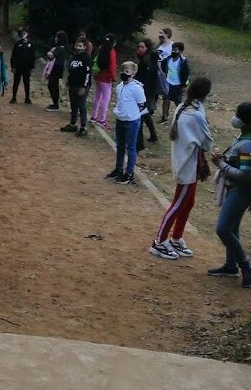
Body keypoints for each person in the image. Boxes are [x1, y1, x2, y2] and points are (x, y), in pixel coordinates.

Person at [149, 77, 213, 260]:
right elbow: (207, 143)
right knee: (178, 204)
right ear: (205, 94)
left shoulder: (182, 107)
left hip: (185, 162)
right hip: (187, 165)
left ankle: (176, 238)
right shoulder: (196, 115)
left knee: (188, 202)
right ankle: (159, 242)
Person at [208, 101, 251, 286]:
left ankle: (246, 267)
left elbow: (245, 175)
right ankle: (230, 266)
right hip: (237, 189)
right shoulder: (244, 137)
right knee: (232, 228)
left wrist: (221, 165)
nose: (235, 118)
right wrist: (225, 159)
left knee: (223, 229)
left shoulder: (247, 144)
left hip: (240, 190)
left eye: (239, 116)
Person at [105, 60, 147, 184]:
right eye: (123, 71)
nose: (124, 73)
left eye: (127, 71)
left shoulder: (137, 88)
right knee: (120, 146)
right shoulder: (120, 86)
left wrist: (133, 114)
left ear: (133, 73)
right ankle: (118, 169)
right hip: (120, 119)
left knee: (131, 147)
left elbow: (142, 104)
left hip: (132, 121)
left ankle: (129, 174)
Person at [60, 36, 92, 136]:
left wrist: (84, 87)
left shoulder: (87, 58)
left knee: (81, 106)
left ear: (84, 47)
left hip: (81, 86)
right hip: (73, 85)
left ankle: (83, 127)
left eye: (80, 46)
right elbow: (71, 72)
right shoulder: (74, 57)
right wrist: (68, 84)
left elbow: (88, 73)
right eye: (77, 45)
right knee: (73, 105)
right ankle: (73, 124)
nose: (78, 47)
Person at [135, 37, 160, 143]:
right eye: (139, 47)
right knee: (145, 114)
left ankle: (139, 139)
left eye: (142, 47)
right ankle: (153, 135)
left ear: (147, 48)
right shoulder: (146, 60)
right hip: (147, 92)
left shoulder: (146, 62)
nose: (140, 49)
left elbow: (145, 79)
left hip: (145, 92)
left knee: (140, 114)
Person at [90, 33, 117, 130]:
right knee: (105, 99)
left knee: (97, 96)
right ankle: (102, 119)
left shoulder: (101, 48)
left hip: (97, 75)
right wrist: (113, 78)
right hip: (105, 78)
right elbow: (112, 66)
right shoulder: (111, 51)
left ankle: (94, 116)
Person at [159, 41, 190, 124]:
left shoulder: (183, 62)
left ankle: (181, 119)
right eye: (172, 49)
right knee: (166, 100)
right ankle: (164, 117)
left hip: (178, 85)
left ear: (180, 51)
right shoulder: (168, 59)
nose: (173, 51)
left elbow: (187, 75)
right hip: (168, 84)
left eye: (175, 50)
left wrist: (184, 85)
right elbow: (163, 66)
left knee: (178, 103)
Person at [9, 28, 36, 104]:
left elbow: (32, 57)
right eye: (21, 33)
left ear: (27, 34)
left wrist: (32, 67)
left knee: (26, 83)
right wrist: (13, 66)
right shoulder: (17, 44)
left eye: (24, 33)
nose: (23, 35)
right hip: (18, 67)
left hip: (27, 68)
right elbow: (13, 56)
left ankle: (27, 98)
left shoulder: (31, 44)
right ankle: (14, 98)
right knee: (16, 82)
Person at [45, 30, 68, 111]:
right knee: (53, 85)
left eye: (57, 37)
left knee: (52, 85)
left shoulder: (61, 48)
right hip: (55, 68)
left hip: (57, 68)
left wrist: (49, 53)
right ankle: (55, 103)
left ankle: (55, 105)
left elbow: (51, 55)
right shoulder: (58, 47)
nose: (55, 39)